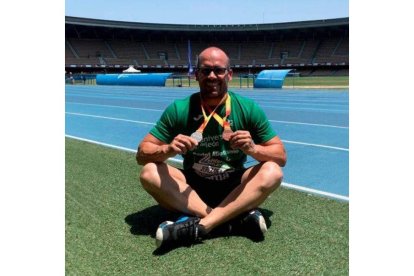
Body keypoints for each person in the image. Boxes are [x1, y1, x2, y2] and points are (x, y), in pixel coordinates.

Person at [136, 46, 286, 248]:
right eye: (206, 70)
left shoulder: (248, 108)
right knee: (149, 172)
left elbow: (281, 156)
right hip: (192, 186)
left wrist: (253, 149)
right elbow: (142, 154)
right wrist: (168, 149)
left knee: (272, 171)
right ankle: (229, 219)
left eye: (219, 70)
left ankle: (202, 226)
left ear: (229, 74)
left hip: (234, 184)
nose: (212, 76)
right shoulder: (179, 109)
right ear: (196, 75)